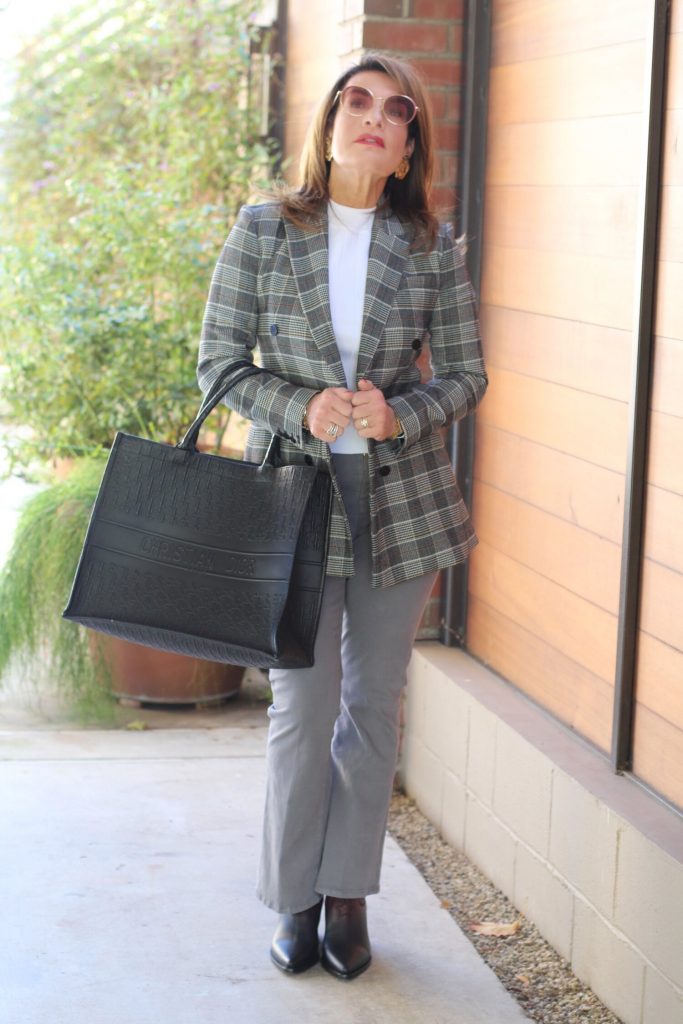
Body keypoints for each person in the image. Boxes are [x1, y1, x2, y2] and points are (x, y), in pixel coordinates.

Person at [197, 51, 487, 981]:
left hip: (399, 505)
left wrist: (402, 412)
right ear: (327, 128)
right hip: (293, 497)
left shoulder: (432, 246)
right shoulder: (262, 228)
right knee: (301, 703)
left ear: (406, 148)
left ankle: (348, 895)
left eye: (393, 110)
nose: (372, 117)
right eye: (354, 102)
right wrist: (300, 407)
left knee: (368, 707)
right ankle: (293, 897)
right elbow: (218, 365)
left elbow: (469, 375)